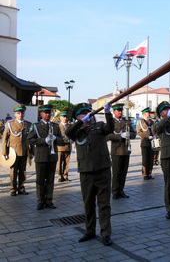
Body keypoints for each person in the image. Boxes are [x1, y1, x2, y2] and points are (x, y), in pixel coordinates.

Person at [65, 102, 114, 246]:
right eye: (82, 114)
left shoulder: (99, 126)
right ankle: (89, 230)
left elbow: (109, 128)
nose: (87, 116)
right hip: (86, 171)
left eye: (88, 113)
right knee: (88, 203)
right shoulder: (76, 131)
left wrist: (107, 113)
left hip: (103, 169)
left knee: (104, 204)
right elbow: (67, 133)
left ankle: (106, 233)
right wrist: (80, 122)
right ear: (78, 117)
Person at [27, 104, 63, 210]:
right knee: (40, 180)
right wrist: (44, 141)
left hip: (52, 157)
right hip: (41, 156)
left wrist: (55, 139)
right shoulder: (36, 126)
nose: (48, 115)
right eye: (46, 113)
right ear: (41, 114)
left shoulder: (55, 126)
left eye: (49, 113)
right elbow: (30, 139)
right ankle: (40, 200)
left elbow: (62, 141)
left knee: (50, 180)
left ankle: (49, 200)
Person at [1, 104, 33, 196]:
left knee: (23, 171)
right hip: (13, 152)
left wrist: (32, 152)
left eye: (22, 113)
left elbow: (30, 139)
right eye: (18, 113)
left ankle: (21, 188)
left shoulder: (28, 124)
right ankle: (13, 189)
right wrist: (4, 152)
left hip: (24, 151)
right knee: (13, 171)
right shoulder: (10, 124)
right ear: (15, 114)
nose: (20, 115)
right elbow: (5, 139)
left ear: (24, 114)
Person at [107, 103, 136, 200]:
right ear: (114, 111)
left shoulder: (126, 122)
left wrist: (129, 135)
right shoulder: (111, 122)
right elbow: (108, 136)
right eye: (118, 110)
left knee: (123, 172)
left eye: (121, 110)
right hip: (116, 150)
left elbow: (134, 134)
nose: (120, 112)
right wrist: (120, 136)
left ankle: (121, 190)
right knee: (116, 172)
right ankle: (115, 191)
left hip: (126, 149)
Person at [136, 107, 155, 180]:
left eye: (150, 113)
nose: (150, 114)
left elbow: (154, 130)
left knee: (151, 159)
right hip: (145, 142)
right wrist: (147, 136)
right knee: (145, 159)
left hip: (152, 143)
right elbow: (139, 132)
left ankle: (149, 173)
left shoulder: (152, 122)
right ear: (144, 114)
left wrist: (154, 136)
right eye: (148, 113)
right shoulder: (140, 122)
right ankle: (145, 174)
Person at [57, 111, 72, 182]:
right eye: (63, 117)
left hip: (68, 146)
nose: (65, 118)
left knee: (67, 163)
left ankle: (65, 175)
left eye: (66, 117)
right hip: (59, 147)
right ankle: (60, 176)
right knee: (59, 162)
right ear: (60, 118)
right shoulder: (57, 126)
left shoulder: (70, 126)